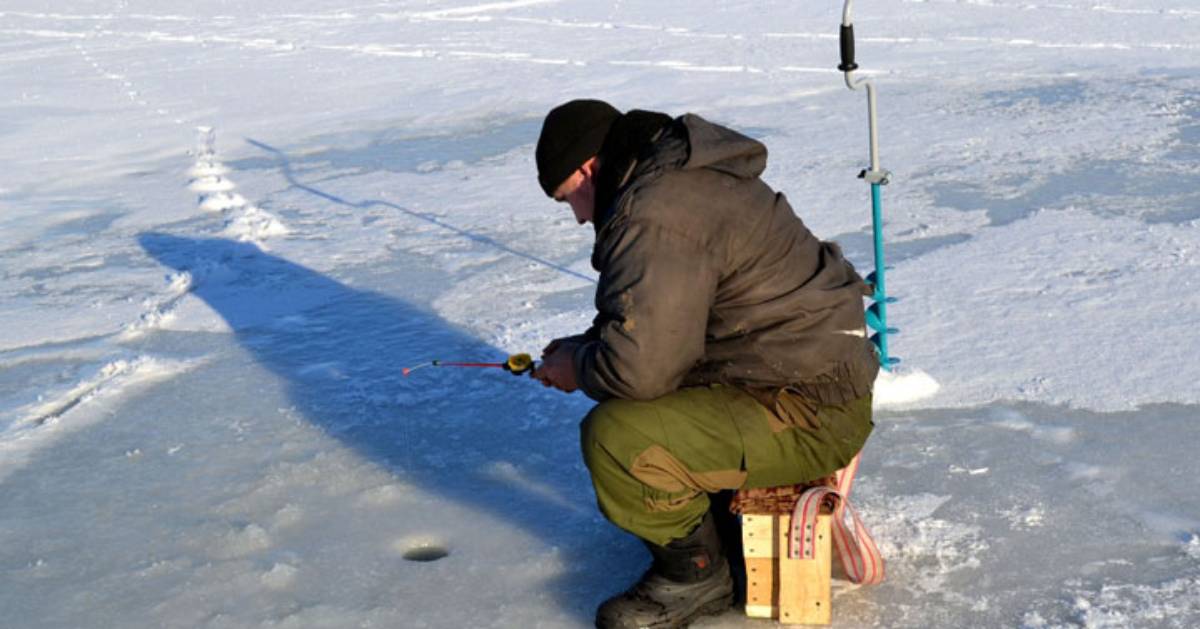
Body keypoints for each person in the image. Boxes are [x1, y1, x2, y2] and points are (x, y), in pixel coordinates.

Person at [530, 99, 879, 629]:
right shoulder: (676, 181)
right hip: (798, 379)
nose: (579, 216)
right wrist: (583, 345)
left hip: (807, 411)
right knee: (651, 400)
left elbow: (639, 371)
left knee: (618, 437)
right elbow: (663, 318)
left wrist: (578, 368)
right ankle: (714, 520)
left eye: (568, 198)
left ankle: (693, 576)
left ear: (588, 168)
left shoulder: (654, 211)